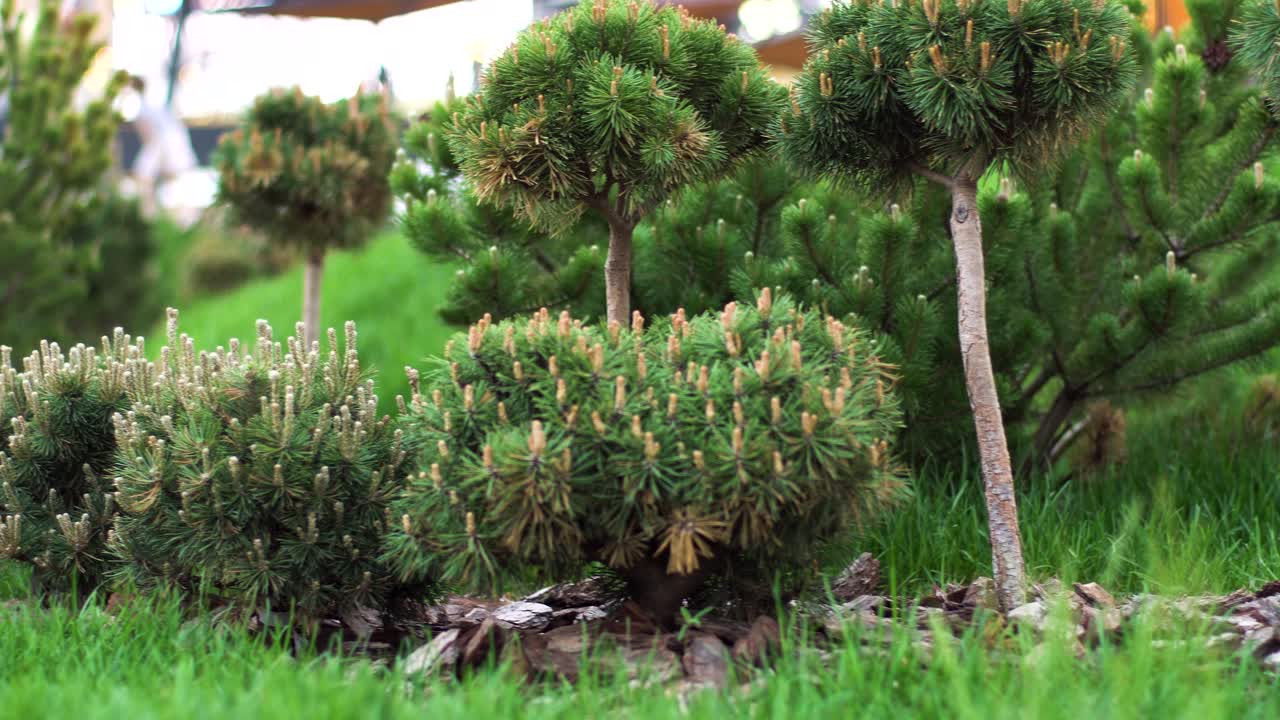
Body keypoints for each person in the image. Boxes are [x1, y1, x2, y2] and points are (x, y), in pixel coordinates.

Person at [128, 74, 198, 217]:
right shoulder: (156, 104)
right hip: (174, 139)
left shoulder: (142, 109)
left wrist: (156, 160)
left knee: (144, 175)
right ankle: (182, 216)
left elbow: (149, 136)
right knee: (172, 179)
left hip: (163, 141)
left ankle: (149, 213)